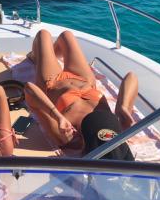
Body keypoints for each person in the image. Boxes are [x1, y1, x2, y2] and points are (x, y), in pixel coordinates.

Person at [24, 29, 137, 160]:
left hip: (53, 81)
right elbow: (131, 77)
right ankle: (48, 55)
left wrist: (57, 116)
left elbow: (29, 89)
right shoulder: (116, 129)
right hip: (84, 80)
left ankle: (38, 57)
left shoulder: (68, 137)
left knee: (43, 35)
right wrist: (122, 106)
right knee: (66, 35)